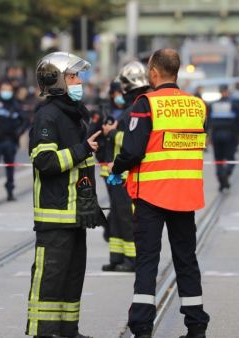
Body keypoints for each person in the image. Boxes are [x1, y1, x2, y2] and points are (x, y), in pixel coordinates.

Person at [110, 49, 209, 338]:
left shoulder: (145, 104)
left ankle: (141, 327)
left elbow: (132, 150)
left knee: (148, 261)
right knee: (186, 260)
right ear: (176, 71)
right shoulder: (197, 106)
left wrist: (117, 168)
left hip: (151, 195)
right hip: (185, 195)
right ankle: (196, 325)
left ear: (153, 73)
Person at [26, 51, 106, 338]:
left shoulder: (73, 116)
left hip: (75, 214)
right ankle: (43, 332)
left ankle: (68, 330)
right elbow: (45, 162)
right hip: (55, 215)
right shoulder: (48, 116)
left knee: (72, 279)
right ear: (57, 81)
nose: (79, 81)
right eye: (73, 76)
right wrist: (82, 149)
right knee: (49, 280)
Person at [101, 61, 151, 272]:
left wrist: (112, 134)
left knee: (126, 217)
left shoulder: (136, 108)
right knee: (117, 217)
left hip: (125, 173)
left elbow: (135, 141)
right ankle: (117, 256)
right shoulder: (131, 108)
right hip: (117, 173)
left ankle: (131, 260)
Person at [0, 82, 26, 201]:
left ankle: (10, 191)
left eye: (8, 89)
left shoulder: (16, 105)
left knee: (10, 168)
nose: (5, 92)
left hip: (10, 140)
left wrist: (18, 133)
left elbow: (25, 121)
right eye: (3, 89)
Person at [208, 84, 239, 191]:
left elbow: (208, 122)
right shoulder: (234, 105)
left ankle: (222, 181)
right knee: (231, 159)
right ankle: (225, 175)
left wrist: (208, 136)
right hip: (230, 135)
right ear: (227, 91)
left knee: (218, 160)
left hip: (216, 135)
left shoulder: (213, 105)